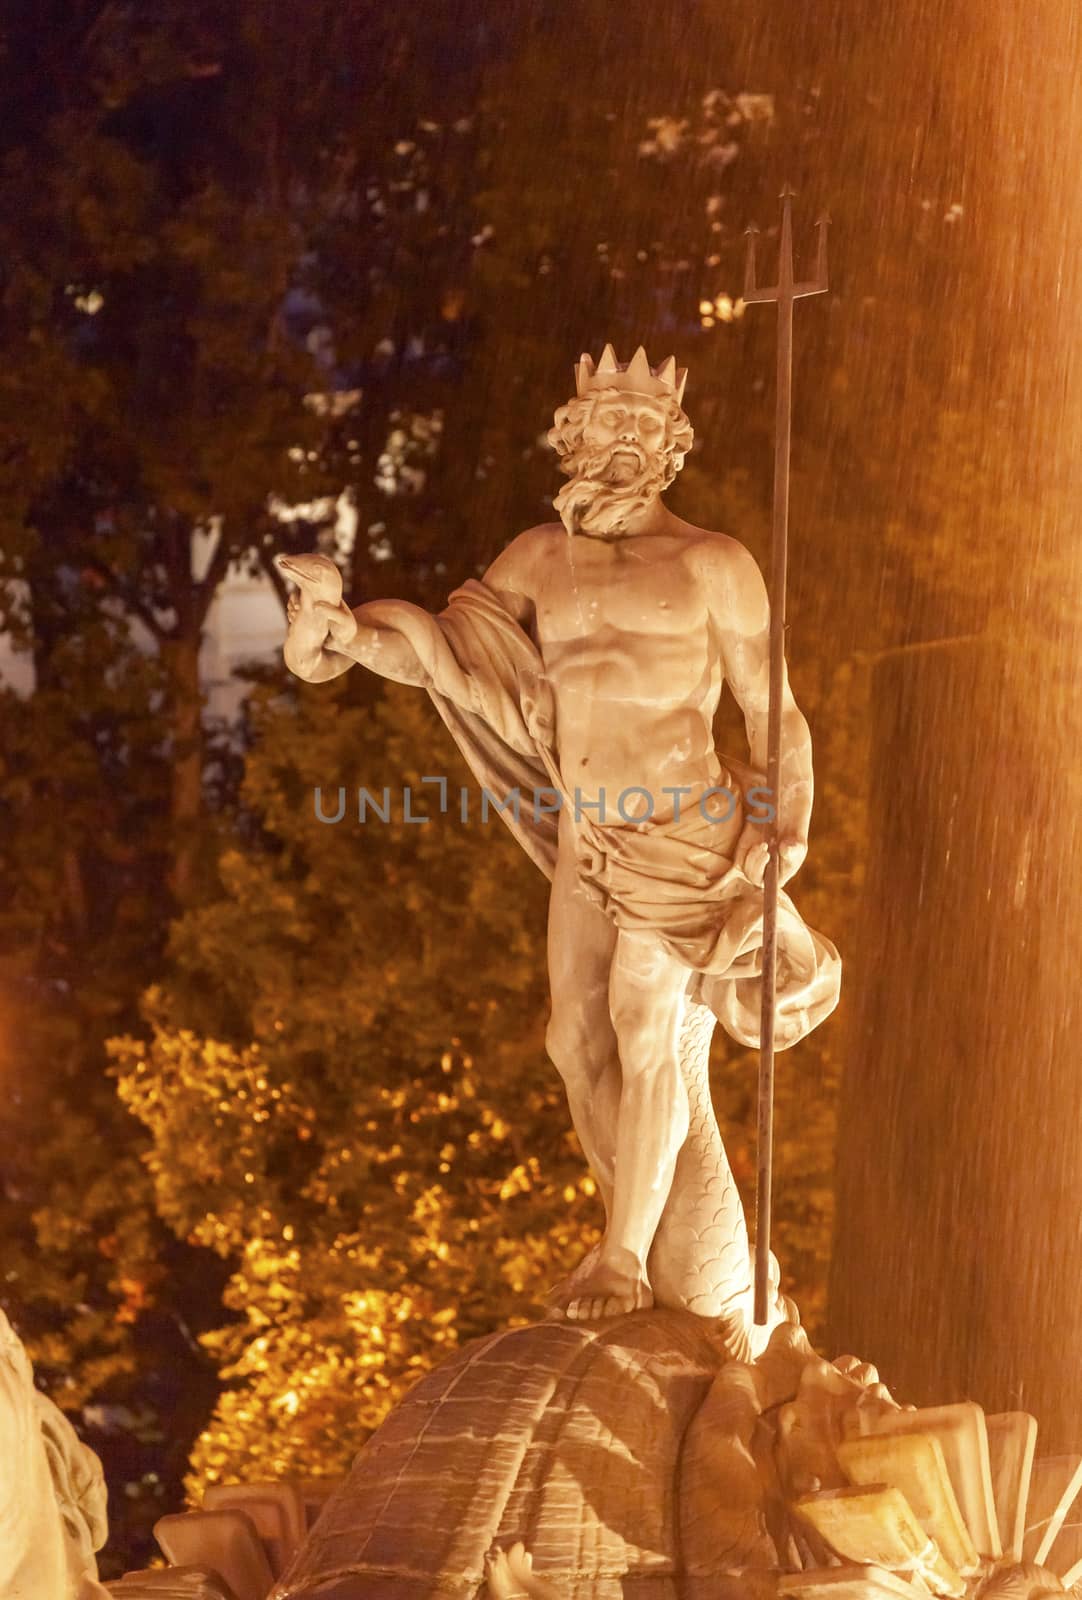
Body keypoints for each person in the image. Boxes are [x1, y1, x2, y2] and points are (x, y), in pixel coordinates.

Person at [282, 345, 838, 1321]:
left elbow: (773, 709)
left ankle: (620, 1261)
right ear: (570, 438)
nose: (620, 445)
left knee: (644, 1031)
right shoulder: (538, 559)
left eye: (641, 429)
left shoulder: (711, 564)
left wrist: (783, 830)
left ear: (671, 447)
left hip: (684, 833)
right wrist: (342, 634)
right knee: (572, 1040)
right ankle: (680, 1259)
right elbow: (451, 661)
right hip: (588, 840)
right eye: (603, 427)